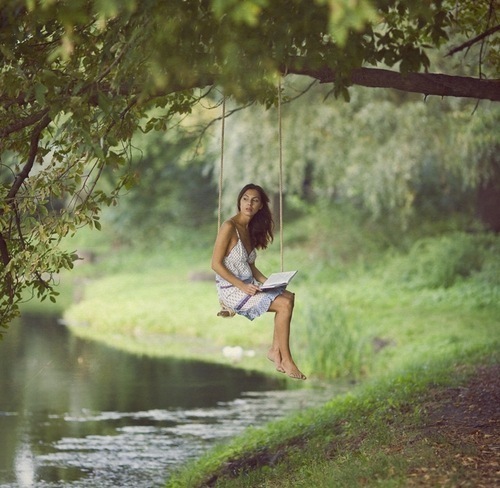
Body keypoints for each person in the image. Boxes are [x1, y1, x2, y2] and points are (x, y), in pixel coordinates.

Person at [211, 183, 306, 380]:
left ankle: (274, 350)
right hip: (232, 290)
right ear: (239, 201)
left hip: (248, 286)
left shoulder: (248, 229)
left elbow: (251, 266)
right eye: (245, 198)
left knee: (288, 296)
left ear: (261, 206)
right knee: (284, 304)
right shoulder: (229, 227)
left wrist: (270, 282)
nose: (249, 204)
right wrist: (243, 286)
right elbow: (216, 264)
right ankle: (286, 359)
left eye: (255, 200)